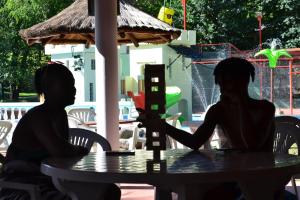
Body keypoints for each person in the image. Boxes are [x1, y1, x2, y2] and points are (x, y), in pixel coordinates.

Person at [138, 57, 276, 199]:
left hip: (261, 177)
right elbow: (195, 142)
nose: (223, 89)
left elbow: (251, 146)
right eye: (220, 84)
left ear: (244, 81)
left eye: (227, 83)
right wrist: (162, 125)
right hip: (232, 175)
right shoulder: (219, 110)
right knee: (186, 188)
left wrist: (240, 104)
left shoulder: (265, 108)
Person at [0, 62, 121, 200]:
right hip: (22, 187)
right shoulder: (38, 117)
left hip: (48, 180)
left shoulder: (60, 114)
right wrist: (79, 150)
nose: (73, 90)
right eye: (67, 85)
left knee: (110, 190)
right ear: (48, 89)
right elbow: (60, 151)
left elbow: (62, 155)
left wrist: (74, 151)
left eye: (73, 85)